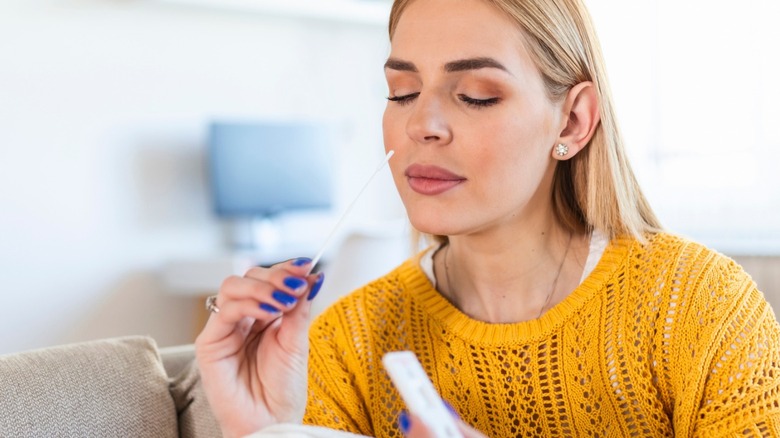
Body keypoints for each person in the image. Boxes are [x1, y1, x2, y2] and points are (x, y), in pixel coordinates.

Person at [195, 0, 780, 436]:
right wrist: (268, 432)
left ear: (573, 123)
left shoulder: (702, 310)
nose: (420, 125)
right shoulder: (342, 345)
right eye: (401, 92)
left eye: (476, 95)